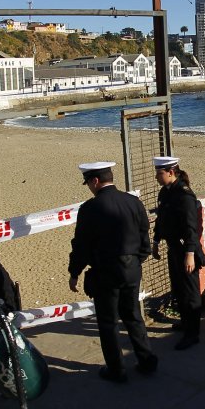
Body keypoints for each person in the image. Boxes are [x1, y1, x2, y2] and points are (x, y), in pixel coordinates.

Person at [68, 162, 158, 382]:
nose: (89, 187)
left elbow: (81, 244)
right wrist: (138, 260)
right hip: (131, 269)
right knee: (133, 316)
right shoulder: (133, 202)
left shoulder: (90, 208)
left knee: (108, 323)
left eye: (89, 183)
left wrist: (74, 271)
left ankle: (116, 370)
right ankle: (146, 360)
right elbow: (144, 234)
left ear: (95, 181)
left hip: (106, 271)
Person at [152, 156, 205, 350]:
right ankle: (185, 322)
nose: (157, 176)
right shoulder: (165, 192)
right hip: (173, 248)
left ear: (171, 172)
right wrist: (156, 240)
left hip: (186, 250)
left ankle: (193, 333)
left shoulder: (184, 195)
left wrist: (190, 253)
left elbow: (191, 227)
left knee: (190, 291)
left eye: (159, 173)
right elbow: (161, 220)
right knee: (179, 288)